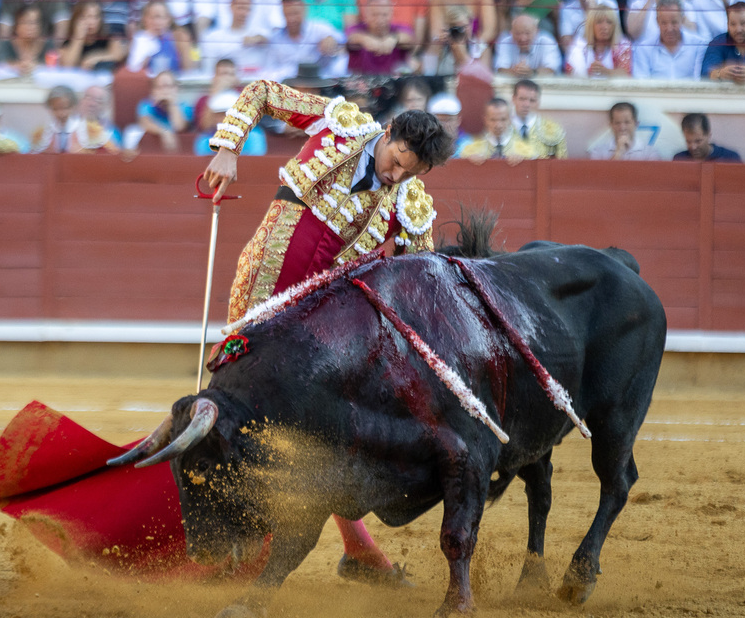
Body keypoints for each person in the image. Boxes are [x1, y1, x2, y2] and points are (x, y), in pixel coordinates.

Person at [200, 76, 453, 588]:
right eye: (396, 160)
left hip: (319, 318)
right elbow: (262, 92)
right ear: (388, 133)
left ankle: (339, 548)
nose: (396, 175)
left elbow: (421, 274)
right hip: (263, 288)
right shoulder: (341, 124)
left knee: (316, 426)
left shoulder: (411, 203)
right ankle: (228, 531)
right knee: (235, 403)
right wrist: (228, 148)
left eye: (410, 172)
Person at [429, 0, 497, 70]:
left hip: (475, 43)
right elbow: (435, 31)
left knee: (484, 50)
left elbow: (489, 31)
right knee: (433, 48)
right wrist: (451, 40)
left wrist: (473, 44)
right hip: (446, 44)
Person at [264, 0, 346, 81]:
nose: (292, 19)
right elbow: (270, 69)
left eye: (295, 13)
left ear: (304, 10)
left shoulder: (319, 29)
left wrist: (331, 40)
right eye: (287, 14)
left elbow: (342, 40)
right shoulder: (276, 38)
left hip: (317, 83)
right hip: (287, 86)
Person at [632, 0, 706, 79]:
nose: (669, 29)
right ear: (657, 21)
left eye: (674, 22)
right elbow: (641, 83)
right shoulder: (644, 49)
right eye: (664, 23)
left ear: (682, 20)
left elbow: (699, 81)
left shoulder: (699, 46)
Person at [346, 0, 416, 73]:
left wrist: (393, 39)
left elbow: (409, 38)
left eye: (384, 15)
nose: (379, 20)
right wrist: (365, 39)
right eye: (374, 15)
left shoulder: (401, 28)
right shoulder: (356, 28)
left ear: (391, 13)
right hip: (362, 82)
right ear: (365, 14)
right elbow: (350, 37)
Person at [194, 88, 268, 155]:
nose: (225, 118)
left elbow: (254, 162)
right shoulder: (205, 140)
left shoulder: (253, 136)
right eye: (220, 114)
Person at [60, 0, 126, 71]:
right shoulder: (68, 43)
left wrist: (95, 58)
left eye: (96, 17)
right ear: (77, 19)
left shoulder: (109, 38)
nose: (92, 22)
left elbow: (118, 55)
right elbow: (68, 65)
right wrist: (78, 38)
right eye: (86, 17)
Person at [507, 79, 567, 159]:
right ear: (513, 99)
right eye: (522, 99)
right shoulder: (501, 126)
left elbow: (561, 163)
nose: (527, 104)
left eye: (532, 100)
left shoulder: (552, 128)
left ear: (538, 102)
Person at [565, 5, 632, 77]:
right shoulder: (579, 46)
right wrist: (588, 72)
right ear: (591, 25)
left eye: (609, 22)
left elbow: (626, 74)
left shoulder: (622, 46)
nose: (604, 27)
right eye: (599, 22)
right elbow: (569, 74)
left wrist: (606, 72)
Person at [135, 69, 193, 151]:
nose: (165, 91)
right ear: (153, 90)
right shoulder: (146, 105)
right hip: (152, 150)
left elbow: (179, 127)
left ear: (176, 88)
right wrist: (164, 132)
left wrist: (171, 104)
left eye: (168, 86)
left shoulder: (185, 106)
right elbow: (145, 123)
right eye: (160, 87)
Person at [588, 101, 661, 160]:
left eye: (627, 122)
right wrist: (618, 153)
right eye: (617, 123)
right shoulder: (598, 151)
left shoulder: (649, 153)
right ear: (611, 125)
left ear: (636, 124)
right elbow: (600, 176)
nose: (622, 128)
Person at [494, 13, 560, 76]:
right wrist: (514, 72)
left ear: (537, 32)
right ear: (511, 32)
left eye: (527, 33)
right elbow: (500, 69)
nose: (522, 38)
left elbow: (551, 69)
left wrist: (532, 72)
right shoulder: (505, 41)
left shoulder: (547, 41)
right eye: (518, 33)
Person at [459, 97, 520, 161]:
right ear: (485, 120)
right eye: (493, 120)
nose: (498, 125)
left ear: (510, 119)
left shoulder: (524, 151)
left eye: (503, 119)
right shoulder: (470, 151)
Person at [672, 112, 742, 161]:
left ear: (708, 135)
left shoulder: (729, 158)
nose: (693, 147)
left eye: (698, 141)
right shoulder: (679, 159)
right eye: (688, 142)